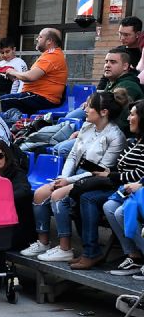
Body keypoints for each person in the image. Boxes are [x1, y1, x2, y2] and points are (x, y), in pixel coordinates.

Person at [24, 91, 124, 265]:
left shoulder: (115, 136)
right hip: (74, 175)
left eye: (90, 106)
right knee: (40, 194)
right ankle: (43, 243)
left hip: (93, 180)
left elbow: (100, 171)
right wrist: (64, 176)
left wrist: (68, 182)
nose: (85, 108)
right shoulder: (86, 126)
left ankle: (65, 249)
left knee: (57, 195)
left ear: (104, 112)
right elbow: (72, 156)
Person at [103, 102, 144, 278]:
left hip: (137, 189)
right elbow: (122, 168)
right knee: (109, 207)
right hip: (129, 187)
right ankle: (134, 256)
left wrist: (110, 176)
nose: (128, 118)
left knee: (121, 212)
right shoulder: (133, 141)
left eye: (133, 114)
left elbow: (138, 173)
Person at [1, 28, 68, 114]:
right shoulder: (52, 54)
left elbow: (30, 77)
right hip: (38, 96)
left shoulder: (52, 55)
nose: (37, 39)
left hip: (42, 98)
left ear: (49, 41)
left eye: (40, 37)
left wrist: (12, 71)